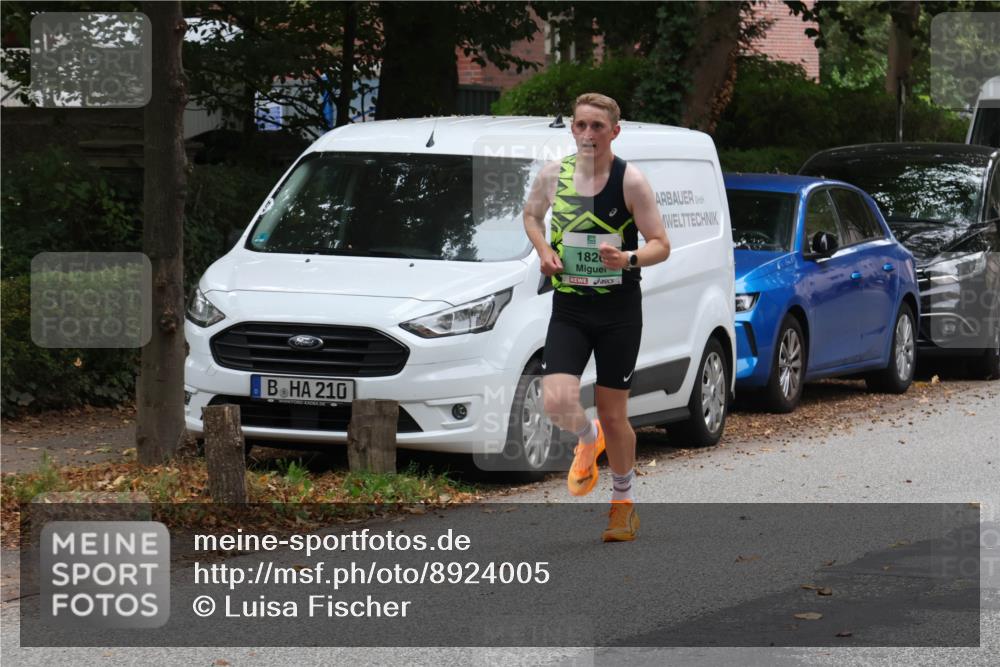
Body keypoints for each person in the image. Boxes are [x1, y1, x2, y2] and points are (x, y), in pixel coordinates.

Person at [523, 93, 670, 542]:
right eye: (581, 125)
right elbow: (531, 216)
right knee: (555, 400)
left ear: (614, 132)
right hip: (570, 307)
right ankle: (589, 438)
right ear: (572, 128)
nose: (588, 134)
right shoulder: (554, 175)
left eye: (597, 127)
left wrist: (627, 258)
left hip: (618, 311)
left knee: (614, 412)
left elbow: (661, 244)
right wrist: (544, 250)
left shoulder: (631, 181)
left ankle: (623, 505)